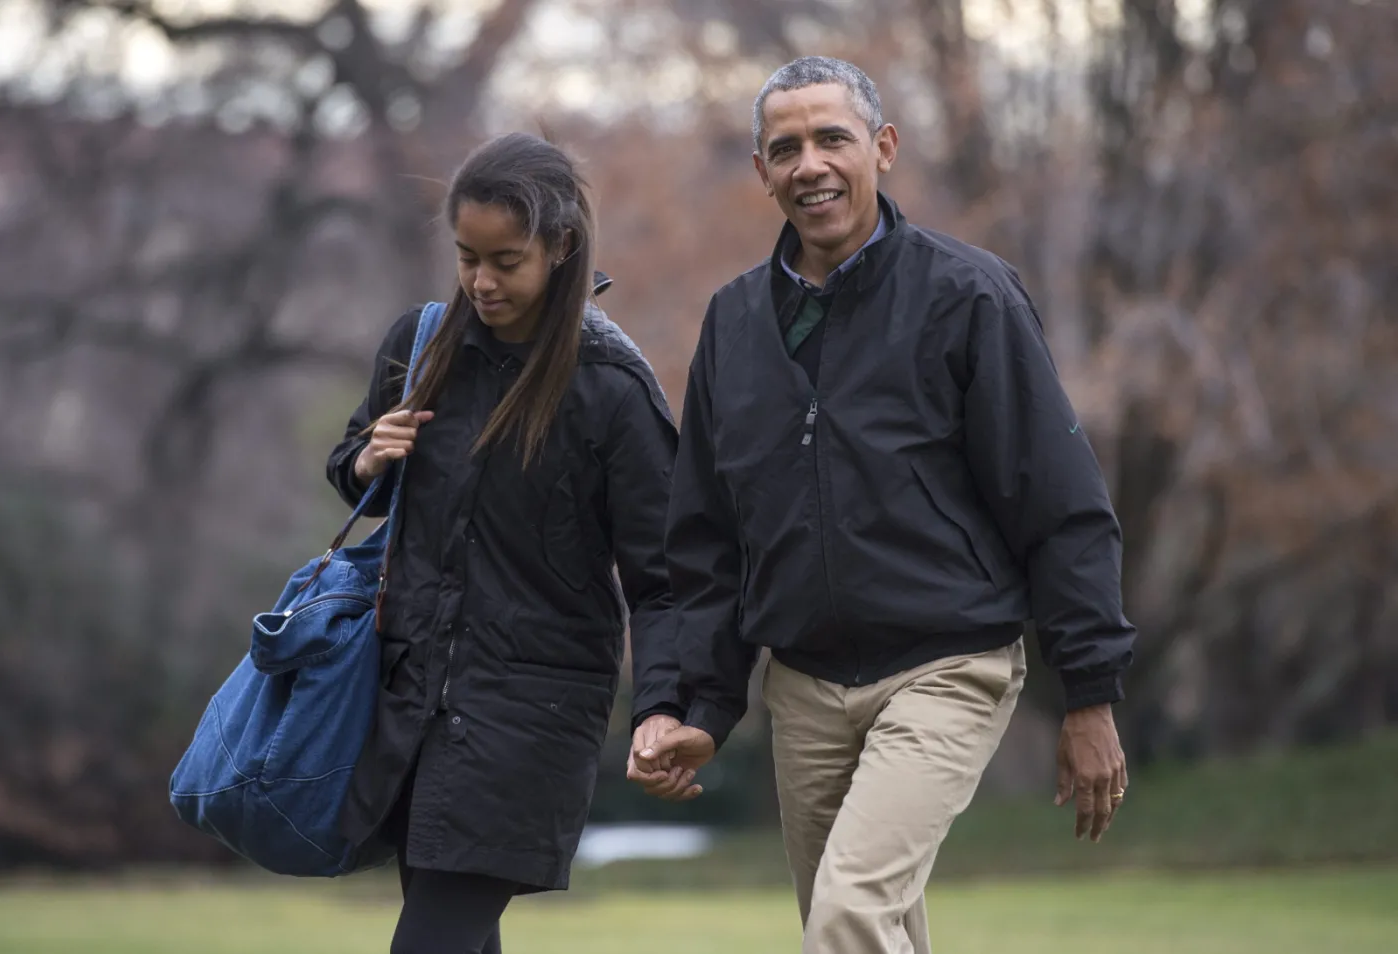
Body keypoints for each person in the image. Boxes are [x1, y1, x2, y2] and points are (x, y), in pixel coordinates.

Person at [631, 57, 1137, 953]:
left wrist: (1090, 695)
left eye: (833, 138)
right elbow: (705, 542)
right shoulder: (736, 323)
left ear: (884, 148)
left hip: (947, 665)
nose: (810, 165)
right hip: (805, 686)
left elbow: (1059, 502)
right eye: (785, 148)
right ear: (762, 171)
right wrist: (695, 706)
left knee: (849, 916)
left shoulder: (968, 294)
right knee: (869, 928)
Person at [325, 133, 685, 954]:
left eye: (506, 260)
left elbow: (664, 576)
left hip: (531, 716)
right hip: (410, 700)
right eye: (466, 257)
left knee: (430, 941)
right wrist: (366, 457)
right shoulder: (419, 348)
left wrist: (663, 704)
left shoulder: (611, 388)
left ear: (560, 249)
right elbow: (353, 473)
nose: (482, 282)